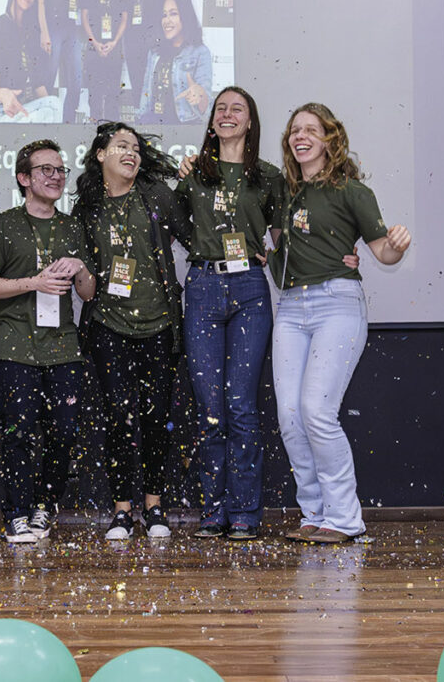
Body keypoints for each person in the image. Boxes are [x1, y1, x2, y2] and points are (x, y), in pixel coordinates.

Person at [271, 103, 412, 544]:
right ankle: (313, 513)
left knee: (317, 411)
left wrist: (398, 246)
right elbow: (281, 251)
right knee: (291, 417)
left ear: (330, 139)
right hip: (291, 308)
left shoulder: (352, 191)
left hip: (337, 304)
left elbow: (383, 254)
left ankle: (345, 519)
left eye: (311, 129)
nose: (301, 136)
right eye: (295, 130)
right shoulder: (285, 193)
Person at [174, 86, 282, 541]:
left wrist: (267, 255)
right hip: (202, 287)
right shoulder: (195, 172)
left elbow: (281, 238)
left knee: (240, 404)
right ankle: (212, 511)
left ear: (250, 121)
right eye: (220, 109)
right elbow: (177, 225)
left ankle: (245, 513)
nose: (227, 114)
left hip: (250, 291)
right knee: (209, 408)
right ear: (212, 120)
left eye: (237, 109)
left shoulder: (269, 176)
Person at [71, 122, 184, 540]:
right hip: (108, 326)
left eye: (136, 147)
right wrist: (76, 270)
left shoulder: (157, 196)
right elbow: (86, 290)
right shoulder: (87, 208)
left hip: (159, 325)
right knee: (119, 417)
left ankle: (154, 506)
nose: (131, 153)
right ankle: (121, 509)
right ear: (101, 155)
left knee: (156, 418)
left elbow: (194, 238)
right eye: (121, 146)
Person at [0, 139, 96, 543]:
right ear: (24, 179)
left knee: (63, 432)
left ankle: (45, 507)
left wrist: (80, 266)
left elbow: (88, 293)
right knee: (20, 432)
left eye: (61, 170)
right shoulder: (4, 224)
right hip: (14, 344)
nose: (56, 177)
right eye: (46, 170)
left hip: (62, 345)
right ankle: (17, 513)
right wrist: (35, 282)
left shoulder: (71, 226)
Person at [0, 0, 62, 123]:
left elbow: (38, 84)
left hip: (24, 110)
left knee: (54, 103)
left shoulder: (32, 33)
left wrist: (50, 107)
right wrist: (5, 95)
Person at [137, 0, 212, 125]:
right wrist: (140, 122)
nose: (167, 20)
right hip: (155, 126)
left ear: (185, 16)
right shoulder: (154, 52)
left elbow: (206, 106)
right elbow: (145, 95)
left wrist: (199, 95)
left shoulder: (200, 52)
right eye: (164, 15)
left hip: (185, 127)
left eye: (173, 14)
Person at [37, 0, 85, 123]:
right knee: (48, 78)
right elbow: (40, 3)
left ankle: (68, 122)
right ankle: (44, 121)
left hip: (72, 26)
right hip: (52, 25)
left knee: (76, 80)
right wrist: (44, 31)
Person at [80, 0, 129, 121]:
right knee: (94, 93)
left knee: (113, 92)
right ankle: (95, 130)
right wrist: (95, 43)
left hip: (114, 47)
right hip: (93, 48)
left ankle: (111, 130)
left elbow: (124, 18)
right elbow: (84, 17)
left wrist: (114, 42)